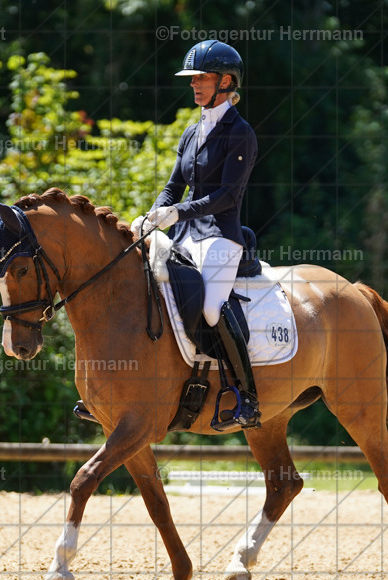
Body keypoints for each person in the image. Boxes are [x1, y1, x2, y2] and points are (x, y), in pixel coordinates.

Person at [142, 39, 260, 429]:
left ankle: (248, 398)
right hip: (184, 235)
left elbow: (227, 196)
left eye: (202, 77)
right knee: (144, 283)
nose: (194, 84)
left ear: (226, 81)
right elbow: (173, 187)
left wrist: (177, 212)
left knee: (212, 308)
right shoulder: (191, 133)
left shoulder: (240, 133)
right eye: (193, 78)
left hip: (221, 237)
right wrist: (152, 214)